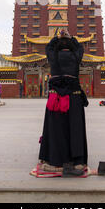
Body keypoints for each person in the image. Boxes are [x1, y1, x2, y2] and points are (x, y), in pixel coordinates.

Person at [39, 29, 88, 177]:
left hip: (55, 99)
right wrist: (70, 37)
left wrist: (56, 38)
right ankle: (77, 161)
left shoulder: (53, 56)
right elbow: (80, 47)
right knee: (75, 129)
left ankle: (55, 160)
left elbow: (48, 47)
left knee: (56, 129)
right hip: (73, 98)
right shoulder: (75, 56)